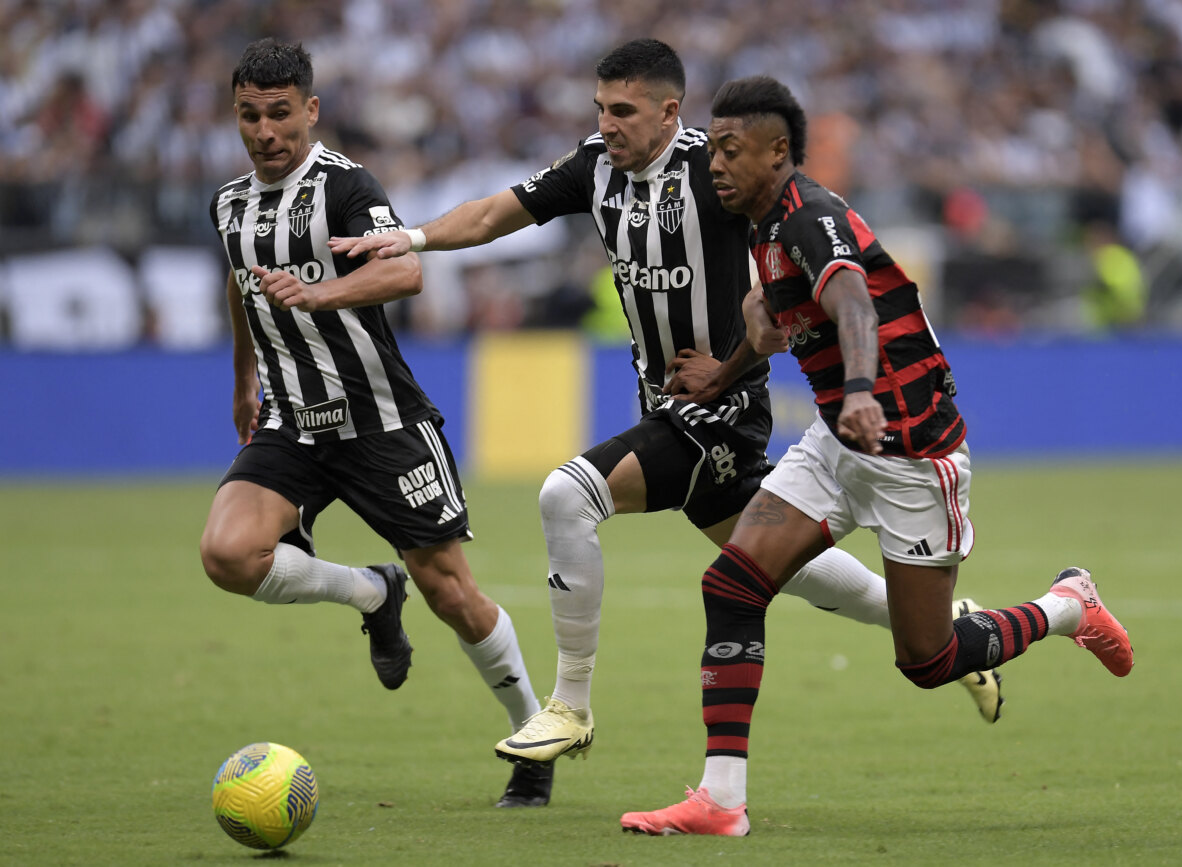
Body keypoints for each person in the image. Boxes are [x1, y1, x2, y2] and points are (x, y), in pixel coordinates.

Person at [329, 39, 1003, 771]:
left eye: (623, 110)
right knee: (786, 570)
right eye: (601, 109)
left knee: (567, 495)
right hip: (667, 401)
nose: (608, 123)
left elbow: (795, 251)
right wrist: (414, 237)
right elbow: (500, 213)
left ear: (668, 112)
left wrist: (756, 336)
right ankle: (956, 635)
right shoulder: (594, 167)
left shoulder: (715, 170)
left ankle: (570, 706)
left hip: (723, 409)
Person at [619, 76, 1134, 837]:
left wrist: (860, 388)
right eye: (713, 149)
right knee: (732, 583)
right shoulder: (760, 225)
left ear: (778, 152)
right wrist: (721, 375)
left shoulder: (808, 218)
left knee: (927, 660)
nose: (715, 165)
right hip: (838, 440)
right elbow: (773, 321)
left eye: (730, 151)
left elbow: (852, 300)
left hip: (911, 452)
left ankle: (1068, 606)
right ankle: (721, 801)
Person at [198, 38, 552, 809]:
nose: (265, 132)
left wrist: (318, 294)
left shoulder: (344, 186)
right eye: (250, 116)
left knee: (453, 592)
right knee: (227, 553)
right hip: (293, 422)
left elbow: (406, 268)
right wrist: (242, 376)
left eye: (280, 114)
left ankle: (534, 736)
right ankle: (369, 591)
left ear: (311, 110)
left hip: (379, 421)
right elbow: (242, 286)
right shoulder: (228, 203)